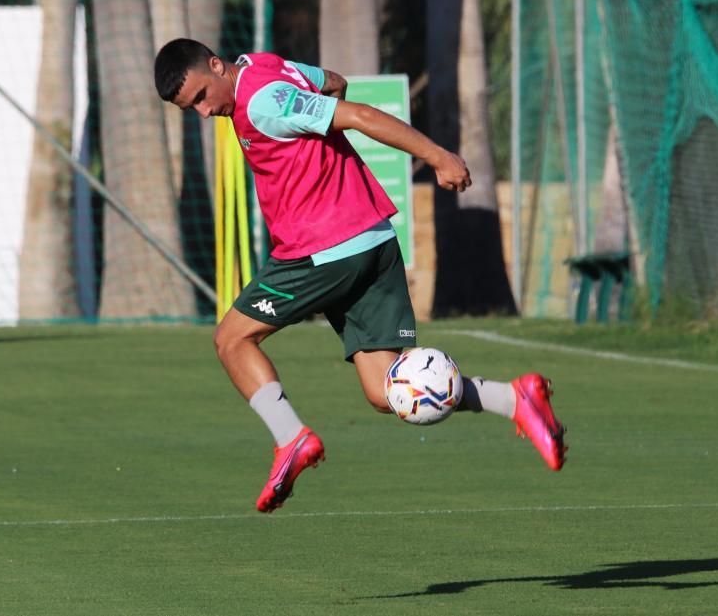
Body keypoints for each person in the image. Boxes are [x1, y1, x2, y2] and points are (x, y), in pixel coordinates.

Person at [154, 39, 566, 513]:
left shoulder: (263, 98)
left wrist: (437, 156)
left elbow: (359, 114)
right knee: (384, 390)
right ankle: (515, 399)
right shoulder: (266, 65)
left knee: (231, 340)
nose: (205, 113)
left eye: (203, 96)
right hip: (371, 239)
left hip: (325, 247)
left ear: (214, 65)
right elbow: (333, 81)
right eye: (193, 109)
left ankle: (291, 440)